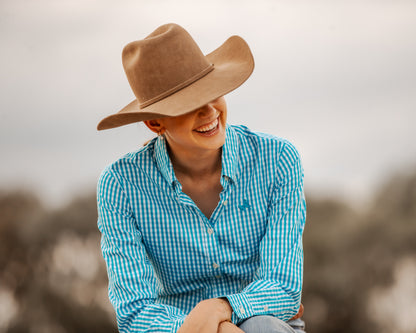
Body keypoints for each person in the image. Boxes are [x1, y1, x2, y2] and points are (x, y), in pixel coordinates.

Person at [96, 23, 306, 333]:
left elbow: (284, 288)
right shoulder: (121, 185)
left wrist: (222, 307)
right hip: (179, 331)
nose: (210, 111)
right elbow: (134, 311)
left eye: (212, 91)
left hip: (266, 325)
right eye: (190, 104)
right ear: (155, 123)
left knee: (261, 327)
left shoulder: (277, 160)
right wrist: (214, 330)